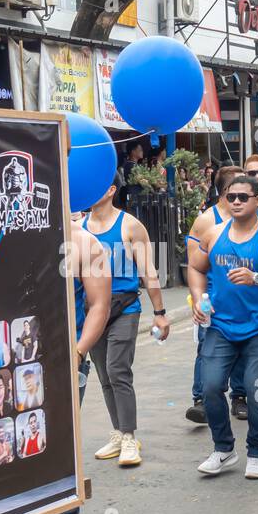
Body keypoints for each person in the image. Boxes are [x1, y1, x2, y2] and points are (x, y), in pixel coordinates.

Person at [19, 214, 111, 514]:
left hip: (65, 361)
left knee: (51, 446)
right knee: (30, 446)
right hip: (17, 363)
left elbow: (99, 305)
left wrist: (76, 354)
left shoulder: (84, 242)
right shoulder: (7, 236)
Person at [188, 176, 258, 480]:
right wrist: (198, 299)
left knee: (257, 390)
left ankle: (256, 451)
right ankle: (223, 448)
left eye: (242, 197)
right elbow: (196, 267)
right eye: (231, 196)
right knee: (209, 387)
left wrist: (257, 278)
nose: (236, 202)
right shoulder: (213, 234)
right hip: (220, 327)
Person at [84, 181, 169, 468]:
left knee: (117, 369)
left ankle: (130, 437)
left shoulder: (130, 226)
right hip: (92, 310)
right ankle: (119, 433)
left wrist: (160, 311)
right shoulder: (78, 227)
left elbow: (148, 270)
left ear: (110, 189)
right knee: (104, 376)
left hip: (124, 306)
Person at [184, 166, 248, 424]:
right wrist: (197, 299)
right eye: (235, 190)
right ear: (224, 191)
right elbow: (194, 265)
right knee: (206, 347)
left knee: (244, 347)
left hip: (245, 296)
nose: (241, 195)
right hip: (213, 298)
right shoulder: (206, 221)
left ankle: (240, 396)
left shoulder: (253, 216)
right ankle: (201, 400)